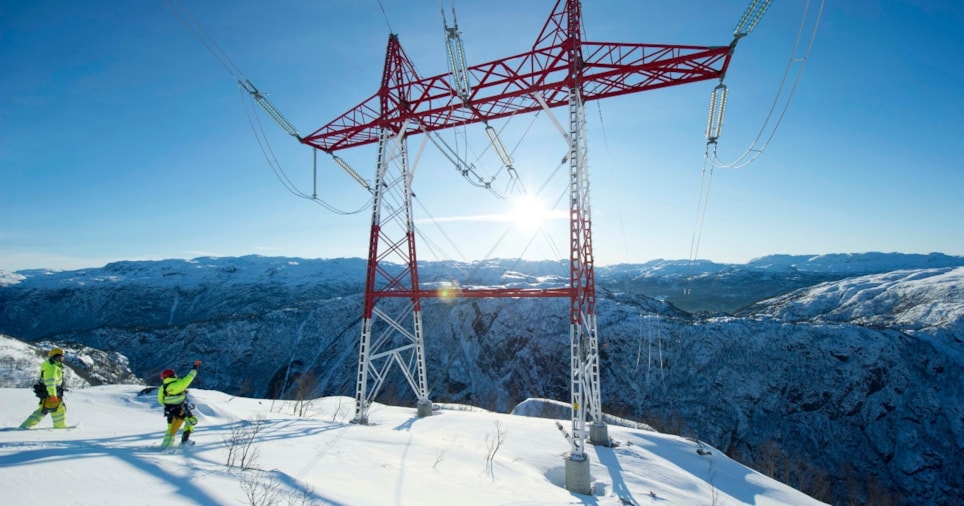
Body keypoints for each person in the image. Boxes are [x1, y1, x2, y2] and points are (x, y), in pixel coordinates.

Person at [157, 359, 202, 448]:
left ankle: (166, 445)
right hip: (180, 409)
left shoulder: (162, 387)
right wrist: (195, 367)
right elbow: (189, 377)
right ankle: (185, 442)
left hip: (169, 411)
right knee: (191, 421)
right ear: (172, 376)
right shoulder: (179, 384)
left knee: (170, 429)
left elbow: (160, 400)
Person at [20, 347, 68, 429]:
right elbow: (50, 382)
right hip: (52, 393)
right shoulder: (53, 367)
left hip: (51, 393)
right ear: (55, 357)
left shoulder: (52, 366)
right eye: (60, 356)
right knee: (51, 409)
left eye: (62, 356)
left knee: (46, 409)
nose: (62, 358)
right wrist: (53, 394)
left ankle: (26, 426)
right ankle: (60, 427)